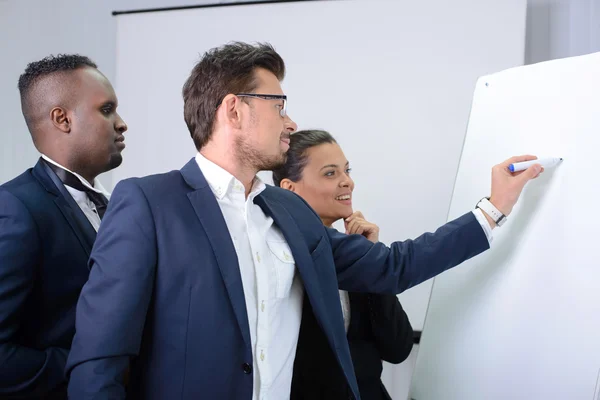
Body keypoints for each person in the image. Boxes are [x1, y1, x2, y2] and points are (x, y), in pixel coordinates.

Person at [66, 42, 543, 400]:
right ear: (233, 109)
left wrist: (491, 208)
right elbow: (98, 360)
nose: (291, 123)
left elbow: (394, 265)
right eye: (279, 105)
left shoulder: (288, 209)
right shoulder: (150, 202)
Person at [0, 54, 127, 399]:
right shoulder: (17, 208)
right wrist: (87, 366)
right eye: (106, 110)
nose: (121, 123)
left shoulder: (120, 206)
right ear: (62, 119)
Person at [272, 129, 413, 399]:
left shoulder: (353, 252)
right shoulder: (279, 258)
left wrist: (373, 258)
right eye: (330, 173)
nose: (347, 182)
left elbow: (398, 347)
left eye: (347, 171)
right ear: (290, 189)